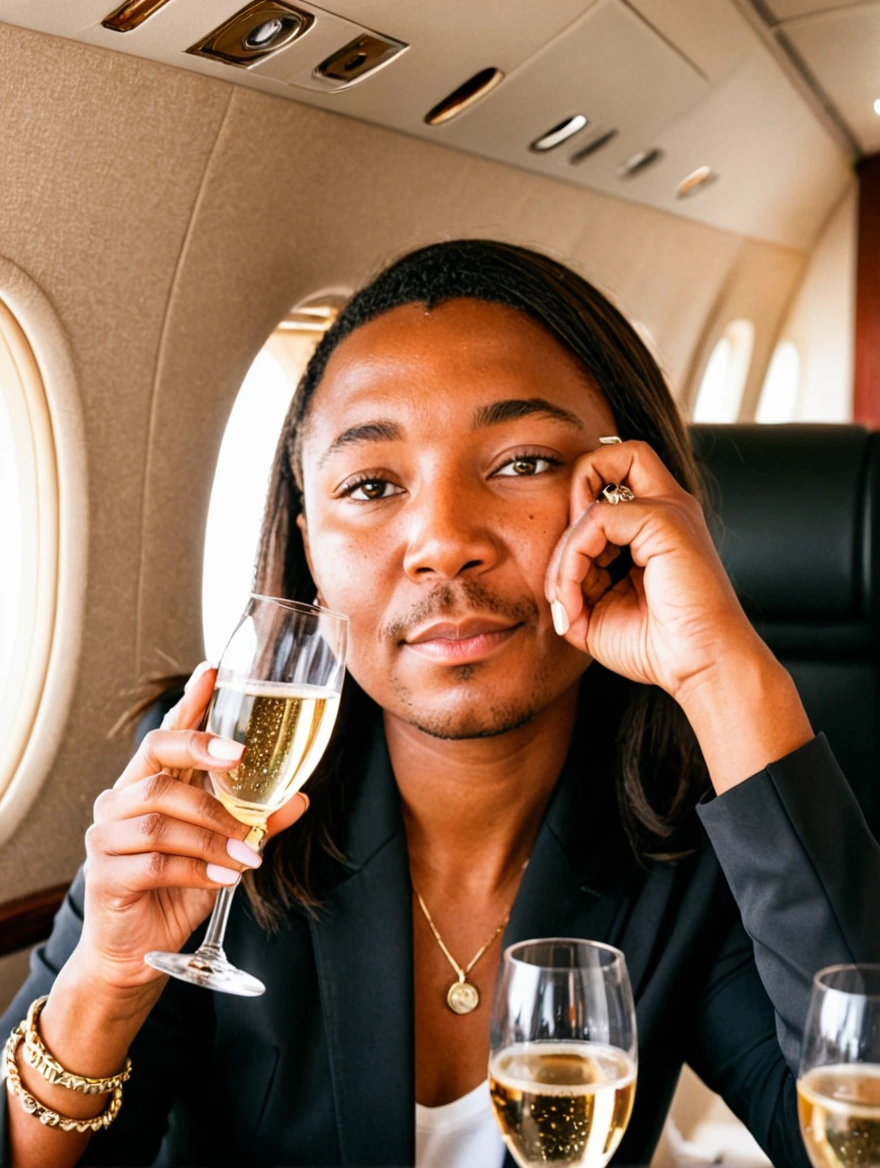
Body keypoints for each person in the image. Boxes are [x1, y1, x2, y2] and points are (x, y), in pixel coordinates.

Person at [2, 239, 878, 1168]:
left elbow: (858, 1143)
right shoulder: (214, 772)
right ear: (310, 547)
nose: (444, 542)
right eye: (372, 485)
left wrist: (723, 673)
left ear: (628, 490)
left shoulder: (695, 828)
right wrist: (106, 983)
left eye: (521, 462)